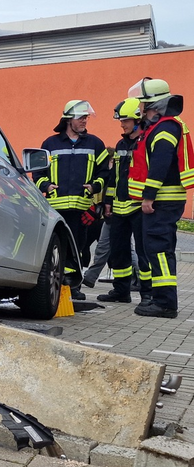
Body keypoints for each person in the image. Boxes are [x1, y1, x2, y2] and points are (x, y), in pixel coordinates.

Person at [127, 78, 194, 318]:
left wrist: (148, 197)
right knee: (157, 249)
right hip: (165, 199)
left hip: (162, 200)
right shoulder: (164, 127)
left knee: (160, 249)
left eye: (143, 105)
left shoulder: (165, 128)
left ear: (153, 105)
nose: (141, 110)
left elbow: (160, 164)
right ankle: (160, 298)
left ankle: (165, 303)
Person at [33, 100, 110, 300]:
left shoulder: (95, 143)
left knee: (78, 248)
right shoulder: (50, 144)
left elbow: (105, 172)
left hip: (81, 209)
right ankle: (57, 286)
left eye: (86, 117)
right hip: (56, 209)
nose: (85, 121)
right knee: (58, 247)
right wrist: (46, 185)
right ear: (69, 120)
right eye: (81, 117)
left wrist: (95, 186)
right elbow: (38, 172)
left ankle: (73, 286)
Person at [95, 98, 151, 305]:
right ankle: (121, 291)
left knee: (144, 252)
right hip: (118, 207)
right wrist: (108, 201)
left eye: (125, 121)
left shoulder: (146, 141)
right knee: (118, 251)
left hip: (138, 206)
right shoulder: (121, 144)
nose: (122, 124)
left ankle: (147, 294)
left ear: (137, 120)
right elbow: (114, 177)